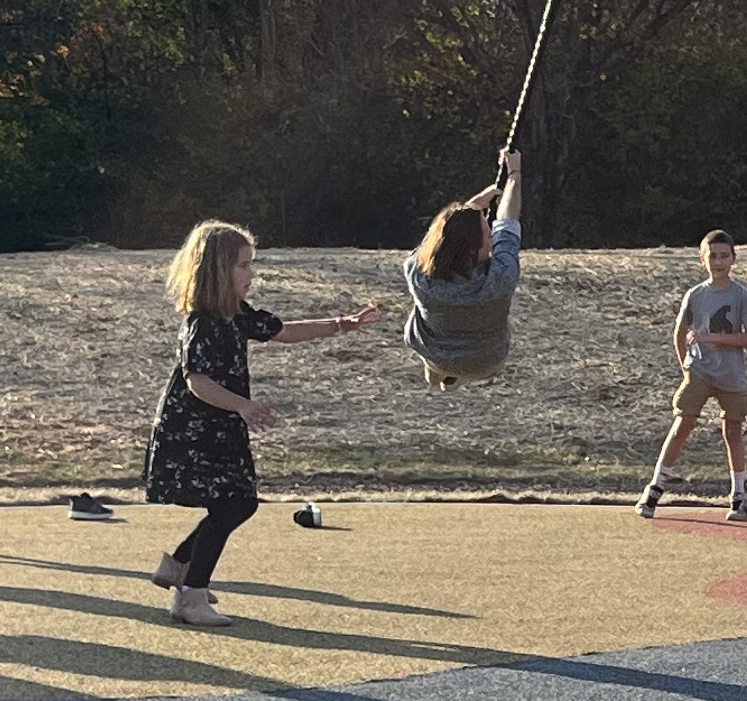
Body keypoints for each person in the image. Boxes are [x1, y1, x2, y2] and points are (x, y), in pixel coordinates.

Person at [144, 221, 378, 627]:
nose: (252, 275)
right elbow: (197, 382)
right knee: (235, 502)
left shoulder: (238, 316)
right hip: (196, 431)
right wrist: (245, 407)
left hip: (223, 427)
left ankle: (179, 566)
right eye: (243, 266)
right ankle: (190, 594)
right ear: (217, 270)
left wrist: (341, 324)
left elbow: (284, 331)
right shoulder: (202, 322)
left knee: (236, 503)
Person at [638, 230, 747, 520]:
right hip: (700, 371)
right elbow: (680, 333)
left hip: (731, 375)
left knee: (732, 431)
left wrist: (715, 339)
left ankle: (739, 494)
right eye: (712, 256)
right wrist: (686, 365)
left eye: (724, 256)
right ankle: (655, 487)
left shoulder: (743, 295)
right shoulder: (695, 295)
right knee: (684, 422)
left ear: (733, 258)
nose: (718, 262)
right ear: (702, 258)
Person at [405, 147, 530, 385]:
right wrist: (515, 174)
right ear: (473, 251)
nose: (492, 239)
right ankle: (449, 372)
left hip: (433, 352)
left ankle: (439, 371)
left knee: (422, 314)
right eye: (487, 236)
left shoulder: (417, 273)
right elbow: (507, 223)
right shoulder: (500, 278)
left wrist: (471, 208)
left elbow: (436, 240)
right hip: (485, 363)